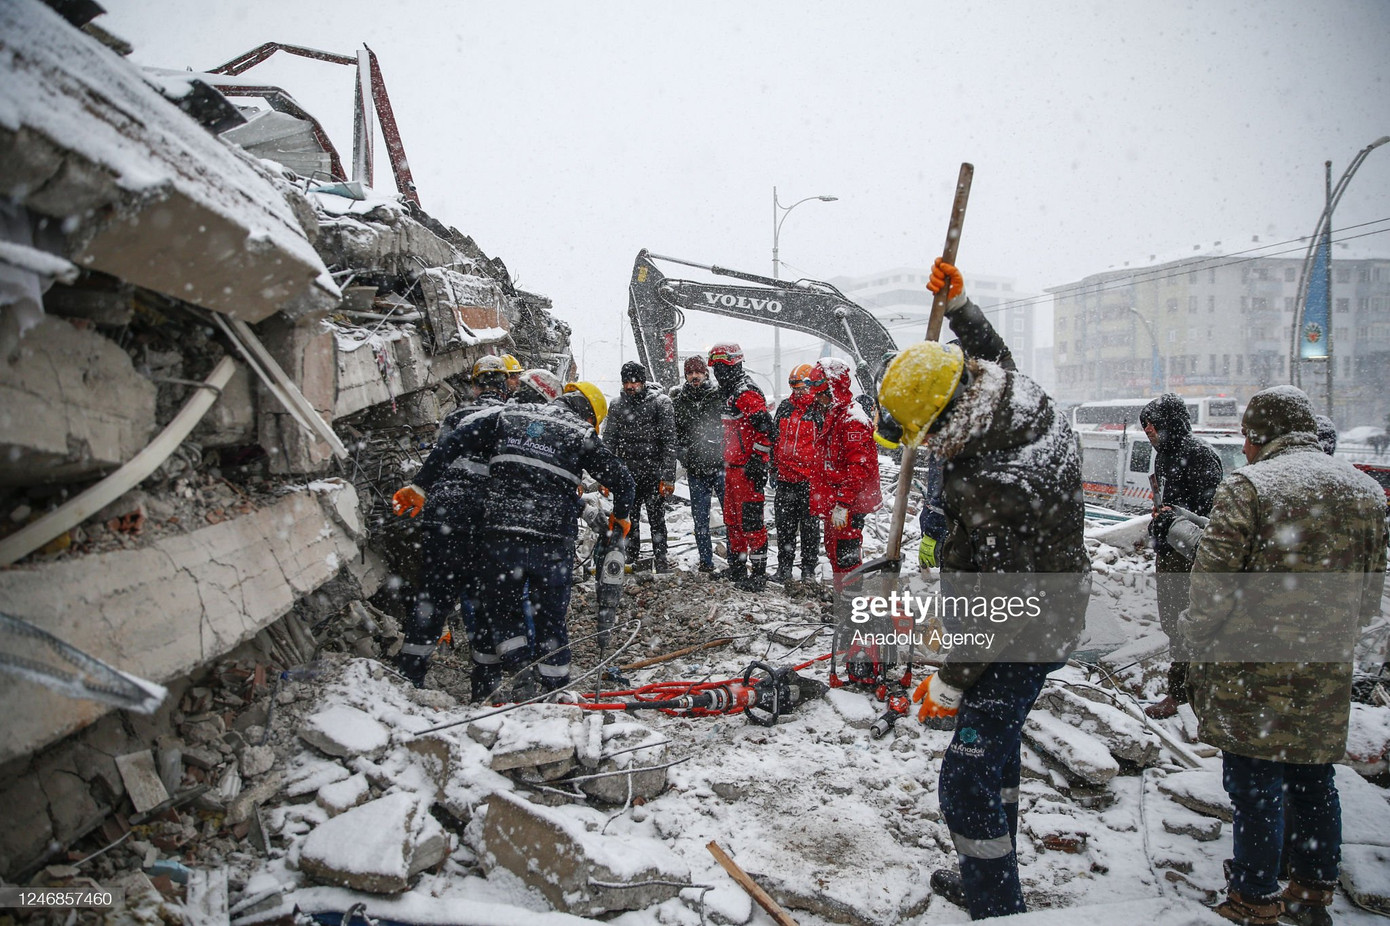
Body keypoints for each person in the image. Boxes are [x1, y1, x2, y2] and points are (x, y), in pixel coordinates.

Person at [877, 258, 1091, 920]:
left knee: (965, 777)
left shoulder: (992, 483)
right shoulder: (1020, 402)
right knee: (995, 757)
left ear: (941, 422)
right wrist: (963, 307)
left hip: (1022, 634)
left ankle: (995, 901)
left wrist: (951, 679)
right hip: (1055, 609)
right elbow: (989, 358)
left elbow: (996, 607)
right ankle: (994, 867)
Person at [1180, 386, 1386, 926]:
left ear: (1259, 436)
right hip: (1325, 668)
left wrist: (1193, 643)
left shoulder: (1249, 488)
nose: (1244, 450)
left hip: (1252, 671)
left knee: (1256, 785)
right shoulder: (1366, 491)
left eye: (1247, 439)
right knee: (1315, 778)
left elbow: (1210, 590)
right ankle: (1312, 890)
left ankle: (1254, 895)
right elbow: (1369, 596)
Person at [392, 381, 636, 701]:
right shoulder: (579, 432)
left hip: (501, 536)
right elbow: (623, 479)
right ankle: (555, 691)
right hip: (551, 541)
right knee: (549, 619)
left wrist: (420, 487)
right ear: (590, 416)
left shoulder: (508, 416)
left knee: (503, 613)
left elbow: (454, 444)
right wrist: (622, 517)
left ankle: (518, 674)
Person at [389, 355, 510, 688]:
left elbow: (438, 460)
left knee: (433, 598)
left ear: (474, 386)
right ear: (505, 386)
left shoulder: (454, 417)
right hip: (484, 521)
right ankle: (485, 684)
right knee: (485, 604)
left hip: (443, 518)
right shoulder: (507, 420)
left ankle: (410, 675)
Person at [1139, 393, 1224, 720]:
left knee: (1193, 623)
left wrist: (1173, 522)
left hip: (1193, 557)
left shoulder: (1200, 455)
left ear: (1168, 424)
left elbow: (1208, 516)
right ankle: (1185, 689)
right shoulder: (1164, 455)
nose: (1148, 431)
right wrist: (1160, 522)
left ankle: (1186, 694)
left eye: (1152, 425)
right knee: (1174, 622)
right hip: (1169, 552)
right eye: (1145, 427)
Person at [806, 358, 881, 594]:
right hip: (838, 500)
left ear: (833, 388)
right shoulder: (836, 414)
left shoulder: (852, 421)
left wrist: (843, 503)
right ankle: (843, 601)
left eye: (821, 394)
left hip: (849, 504)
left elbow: (859, 468)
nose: (818, 399)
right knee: (835, 551)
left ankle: (850, 608)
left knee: (847, 555)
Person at [708, 342, 775, 591]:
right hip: (732, 467)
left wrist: (759, 461)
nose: (718, 372)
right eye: (715, 367)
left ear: (735, 364)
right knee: (732, 521)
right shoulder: (729, 393)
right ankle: (737, 567)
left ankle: (758, 574)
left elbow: (767, 429)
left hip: (747, 470)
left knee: (751, 523)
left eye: (722, 367)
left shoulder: (746, 393)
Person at [602, 361, 677, 573]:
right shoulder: (617, 405)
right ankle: (630, 557)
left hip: (653, 474)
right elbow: (609, 441)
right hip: (627, 475)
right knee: (627, 519)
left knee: (656, 519)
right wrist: (607, 477)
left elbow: (669, 441)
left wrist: (668, 476)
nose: (629, 386)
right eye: (626, 381)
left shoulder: (661, 403)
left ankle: (661, 557)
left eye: (633, 381)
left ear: (642, 382)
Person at [671, 356, 726, 573]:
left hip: (720, 466)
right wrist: (685, 454)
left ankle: (735, 559)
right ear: (685, 376)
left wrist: (722, 449)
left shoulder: (718, 397)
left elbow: (728, 427)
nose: (694, 376)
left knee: (729, 517)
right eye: (690, 373)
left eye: (698, 372)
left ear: (706, 373)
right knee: (700, 519)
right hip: (696, 470)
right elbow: (675, 435)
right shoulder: (680, 402)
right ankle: (706, 561)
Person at [771, 363, 822, 592]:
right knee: (785, 527)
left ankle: (809, 569)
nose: (797, 392)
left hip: (809, 480)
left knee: (810, 527)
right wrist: (773, 468)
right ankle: (784, 567)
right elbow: (774, 439)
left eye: (801, 388)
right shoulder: (784, 407)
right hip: (785, 477)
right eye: (794, 387)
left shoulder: (819, 410)